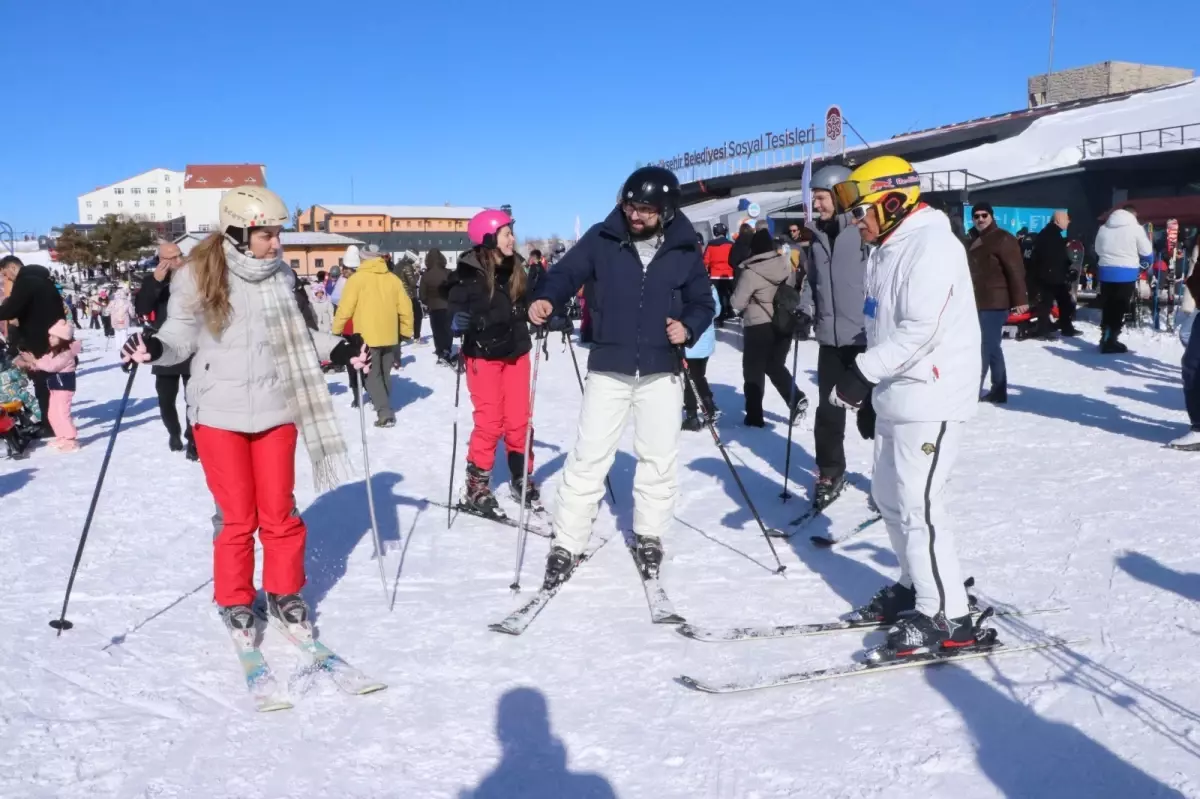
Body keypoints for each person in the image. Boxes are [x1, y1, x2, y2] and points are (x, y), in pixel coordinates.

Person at [119, 186, 369, 636]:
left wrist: (339, 348)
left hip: (277, 409)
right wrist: (154, 347)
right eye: (266, 234)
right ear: (237, 233)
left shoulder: (281, 276)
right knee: (236, 516)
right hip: (218, 413)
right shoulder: (198, 275)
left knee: (280, 512)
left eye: (277, 234)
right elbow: (179, 335)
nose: (277, 243)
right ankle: (234, 597)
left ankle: (284, 591)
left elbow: (299, 338)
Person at [529, 166, 715, 588]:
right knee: (588, 458)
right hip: (609, 367)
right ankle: (567, 542)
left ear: (666, 210)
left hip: (661, 371)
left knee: (658, 458)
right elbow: (564, 275)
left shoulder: (684, 248)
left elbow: (703, 303)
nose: (635, 216)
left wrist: (688, 327)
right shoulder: (602, 237)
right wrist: (545, 298)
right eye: (631, 206)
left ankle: (649, 534)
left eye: (646, 210)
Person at [828, 155, 981, 658]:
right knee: (888, 498)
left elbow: (921, 330)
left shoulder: (933, 245)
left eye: (861, 211)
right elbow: (883, 325)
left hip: (932, 395)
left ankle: (949, 615)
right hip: (898, 392)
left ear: (893, 202)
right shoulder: (885, 248)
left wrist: (862, 375)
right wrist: (873, 388)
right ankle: (917, 586)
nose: (856, 222)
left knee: (921, 505)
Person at [447, 209, 540, 516]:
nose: (513, 239)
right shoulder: (468, 273)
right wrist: (456, 320)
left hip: (516, 351)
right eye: (506, 234)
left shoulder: (517, 269)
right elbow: (454, 304)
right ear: (488, 238)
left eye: (511, 232)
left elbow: (531, 301)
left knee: (519, 420)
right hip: (483, 355)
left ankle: (521, 475)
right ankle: (476, 486)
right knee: (489, 421)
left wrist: (547, 313)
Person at [799, 163, 871, 508]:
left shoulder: (862, 232)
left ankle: (895, 475)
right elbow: (811, 283)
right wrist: (804, 310)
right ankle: (830, 471)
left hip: (864, 338)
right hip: (829, 338)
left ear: (841, 195)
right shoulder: (815, 237)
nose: (817, 204)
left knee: (876, 411)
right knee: (828, 410)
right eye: (814, 198)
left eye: (822, 197)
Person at [730, 229, 806, 428]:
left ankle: (754, 417)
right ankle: (795, 397)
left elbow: (737, 303)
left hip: (758, 326)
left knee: (753, 371)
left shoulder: (750, 272)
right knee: (774, 365)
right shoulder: (785, 264)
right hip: (783, 322)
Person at [332, 247, 414, 428]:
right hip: (390, 335)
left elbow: (345, 308)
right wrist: (406, 331)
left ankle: (384, 413)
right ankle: (382, 403)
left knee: (371, 375)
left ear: (363, 259)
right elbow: (406, 308)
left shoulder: (357, 280)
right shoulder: (393, 279)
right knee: (384, 373)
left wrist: (336, 330)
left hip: (367, 336)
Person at [136, 240, 197, 459]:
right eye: (173, 258)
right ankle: (173, 433)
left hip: (192, 344)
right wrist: (156, 282)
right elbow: (142, 308)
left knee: (194, 398)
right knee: (165, 399)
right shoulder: (152, 280)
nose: (179, 260)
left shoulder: (193, 276)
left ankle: (193, 439)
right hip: (165, 345)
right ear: (161, 260)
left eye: (180, 255)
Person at [967, 202, 1027, 404]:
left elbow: (1016, 270)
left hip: (995, 302)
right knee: (992, 347)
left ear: (992, 216)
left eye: (984, 215)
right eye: (976, 216)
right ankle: (999, 390)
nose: (980, 219)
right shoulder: (973, 238)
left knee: (984, 347)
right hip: (978, 301)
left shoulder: (1003, 238)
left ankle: (972, 391)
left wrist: (1020, 300)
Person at [0, 254, 66, 438]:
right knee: (48, 383)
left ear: (13, 267)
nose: (6, 278)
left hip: (41, 340)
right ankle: (52, 421)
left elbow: (11, 309)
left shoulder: (25, 281)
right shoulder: (41, 279)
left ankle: (49, 425)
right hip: (53, 337)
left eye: (5, 274)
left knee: (43, 384)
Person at [1095, 205, 1153, 354]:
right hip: (1126, 273)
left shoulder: (1103, 228)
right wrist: (1141, 268)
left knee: (1108, 305)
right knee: (1119, 306)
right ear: (1133, 215)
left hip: (1105, 272)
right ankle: (1111, 340)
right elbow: (1147, 253)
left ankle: (1105, 335)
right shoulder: (1136, 229)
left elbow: (1097, 250)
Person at [29, 319, 82, 452]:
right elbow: (45, 361)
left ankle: (70, 439)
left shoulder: (66, 353)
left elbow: (52, 366)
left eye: (53, 336)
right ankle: (61, 436)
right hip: (55, 387)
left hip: (65, 388)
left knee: (63, 413)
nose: (50, 339)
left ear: (62, 339)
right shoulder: (54, 352)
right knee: (52, 413)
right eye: (50, 336)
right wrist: (32, 364)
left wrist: (35, 361)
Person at [682, 264, 720, 432]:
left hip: (692, 342)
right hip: (705, 344)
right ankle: (707, 407)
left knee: (691, 379)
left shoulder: (687, 291)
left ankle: (695, 414)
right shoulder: (711, 288)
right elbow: (717, 311)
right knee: (698, 377)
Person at [1030, 211, 1081, 338]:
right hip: (1050, 276)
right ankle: (1043, 330)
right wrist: (1066, 270)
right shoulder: (1050, 234)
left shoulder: (1052, 233)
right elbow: (1053, 257)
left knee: (1063, 302)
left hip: (1052, 275)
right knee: (1048, 304)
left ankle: (1064, 327)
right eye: (1066, 219)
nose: (1068, 222)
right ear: (1058, 220)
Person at [419, 248, 454, 366]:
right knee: (447, 330)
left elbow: (422, 294)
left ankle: (440, 351)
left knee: (437, 331)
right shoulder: (448, 273)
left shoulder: (426, 275)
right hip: (448, 305)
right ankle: (447, 350)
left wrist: (428, 303)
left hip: (434, 307)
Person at [703, 223, 735, 327]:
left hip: (715, 275)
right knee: (728, 294)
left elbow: (705, 260)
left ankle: (720, 316)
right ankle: (729, 311)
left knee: (719, 295)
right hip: (729, 275)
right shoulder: (731, 244)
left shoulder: (711, 245)